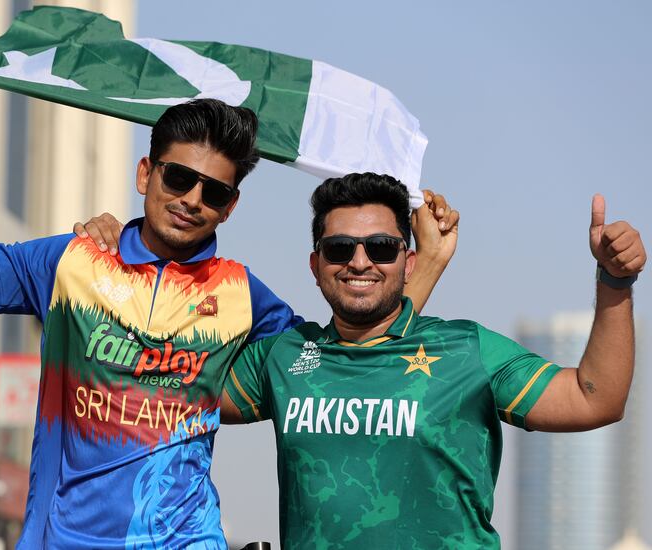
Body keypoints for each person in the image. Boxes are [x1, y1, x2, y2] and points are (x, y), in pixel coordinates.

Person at [0, 57, 458, 548]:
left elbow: (350, 359)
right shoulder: (70, 260)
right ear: (145, 172)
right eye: (177, 178)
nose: (192, 198)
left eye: (214, 190)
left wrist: (423, 263)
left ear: (230, 207)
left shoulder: (242, 295)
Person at [219, 173, 644, 548]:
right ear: (316, 265)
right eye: (339, 248)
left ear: (409, 263)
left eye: (383, 248)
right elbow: (176, 402)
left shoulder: (465, 349)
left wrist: (615, 281)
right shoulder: (283, 356)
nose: (360, 261)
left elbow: (595, 399)